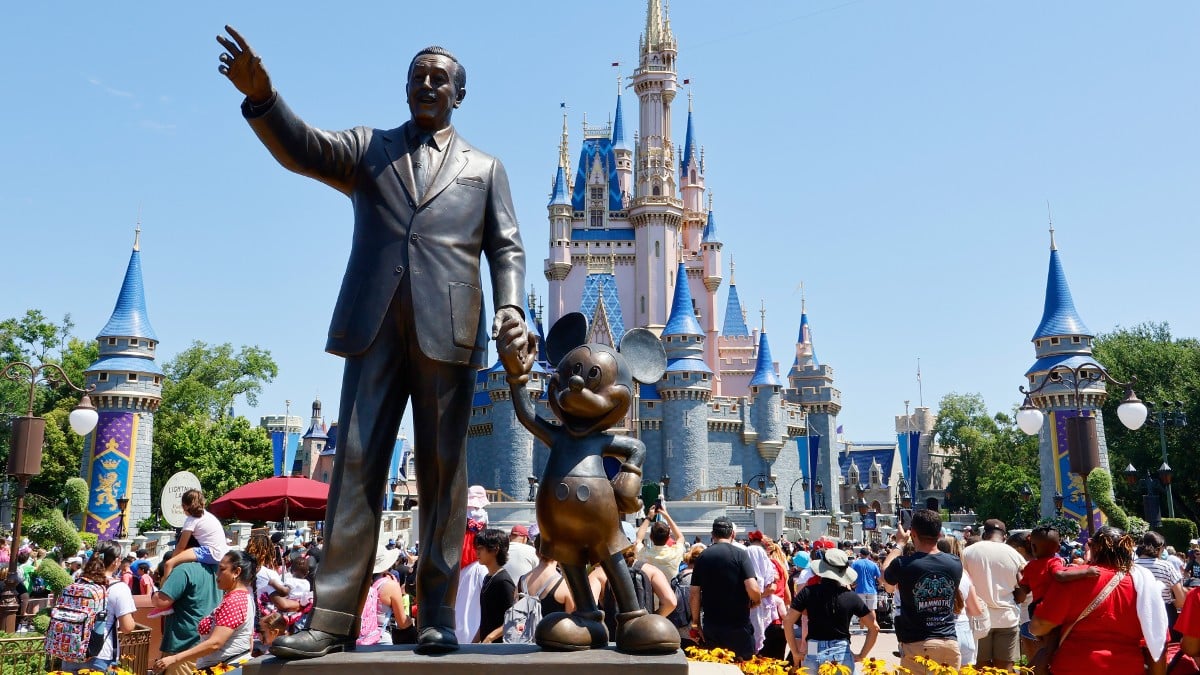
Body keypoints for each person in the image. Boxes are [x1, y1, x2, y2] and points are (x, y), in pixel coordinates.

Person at [217, 26, 529, 659]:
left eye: (441, 77)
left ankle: (438, 613)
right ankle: (332, 617)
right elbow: (303, 149)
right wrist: (265, 100)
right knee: (356, 466)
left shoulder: (484, 168)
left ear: (460, 94)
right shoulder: (370, 150)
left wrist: (513, 306)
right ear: (406, 86)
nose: (428, 84)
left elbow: (507, 246)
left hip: (452, 330)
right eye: (419, 74)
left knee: (444, 476)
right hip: (374, 325)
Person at [1030, 526, 1169, 675]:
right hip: (1126, 667)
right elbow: (1159, 641)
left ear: (1093, 547)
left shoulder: (1073, 578)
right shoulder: (1143, 584)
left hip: (1074, 667)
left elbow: (1039, 626)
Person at [882, 509, 962, 673]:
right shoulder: (954, 563)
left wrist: (900, 544)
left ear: (913, 533)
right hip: (949, 642)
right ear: (939, 534)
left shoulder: (904, 564)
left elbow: (886, 580)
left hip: (918, 643)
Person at [154, 550, 259, 672]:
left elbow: (215, 643)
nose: (217, 574)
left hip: (224, 668)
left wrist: (174, 659)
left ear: (236, 572)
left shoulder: (235, 601)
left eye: (222, 569)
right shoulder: (243, 597)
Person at [783, 547, 878, 674]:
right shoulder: (850, 596)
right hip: (840, 648)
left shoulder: (808, 592)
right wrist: (862, 655)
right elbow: (874, 627)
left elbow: (788, 621)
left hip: (813, 647)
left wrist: (795, 652)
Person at [56, 542, 136, 673]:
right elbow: (127, 627)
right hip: (100, 654)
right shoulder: (119, 588)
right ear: (116, 561)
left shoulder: (79, 582)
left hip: (72, 649)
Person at [689, 516, 762, 661]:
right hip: (738, 626)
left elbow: (694, 594)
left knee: (716, 667)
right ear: (732, 535)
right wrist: (756, 600)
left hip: (712, 625)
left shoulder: (703, 556)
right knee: (742, 667)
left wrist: (696, 623)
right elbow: (752, 588)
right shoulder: (740, 554)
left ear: (712, 535)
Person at [960, 518, 1025, 671]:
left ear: (984, 534)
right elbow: (1022, 594)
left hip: (977, 620)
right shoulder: (1014, 555)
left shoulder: (967, 552)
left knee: (979, 668)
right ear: (1004, 536)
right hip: (1007, 619)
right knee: (1004, 669)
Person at [153, 547, 222, 675]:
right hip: (208, 646)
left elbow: (160, 601)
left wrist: (168, 568)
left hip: (182, 648)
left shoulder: (184, 569)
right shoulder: (219, 569)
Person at [161, 489, 230, 582]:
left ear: (184, 506)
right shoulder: (208, 516)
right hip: (222, 553)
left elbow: (181, 546)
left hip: (210, 552)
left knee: (168, 564)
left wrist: (174, 559)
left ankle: (165, 590)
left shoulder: (191, 520)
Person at [938, 536, 985, 667]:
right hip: (962, 629)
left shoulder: (931, 572)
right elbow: (976, 610)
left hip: (937, 630)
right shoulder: (964, 574)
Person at [358, 545, 412, 645]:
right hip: (381, 640)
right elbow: (402, 622)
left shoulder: (358, 584)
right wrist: (411, 621)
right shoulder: (390, 585)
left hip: (359, 640)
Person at [1136, 530, 1188, 635]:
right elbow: (1181, 599)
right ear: (1160, 548)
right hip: (1164, 613)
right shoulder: (1166, 567)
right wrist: (1173, 602)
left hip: (1137, 613)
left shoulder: (1131, 566)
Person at [473, 528, 515, 643]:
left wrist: (490, 637)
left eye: (481, 549)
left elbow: (513, 619)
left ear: (495, 549)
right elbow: (486, 618)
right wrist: (475, 641)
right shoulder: (488, 578)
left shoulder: (503, 581)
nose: (477, 553)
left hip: (500, 649)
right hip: (487, 647)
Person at [522, 534, 575, 617]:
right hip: (554, 630)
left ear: (536, 552)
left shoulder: (521, 581)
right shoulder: (565, 586)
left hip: (524, 630)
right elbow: (572, 622)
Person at [637, 503, 687, 581]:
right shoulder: (675, 553)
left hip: (650, 592)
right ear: (668, 537)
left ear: (651, 537)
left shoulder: (644, 554)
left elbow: (638, 539)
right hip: (671, 592)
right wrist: (666, 515)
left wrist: (649, 517)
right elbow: (680, 537)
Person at [851, 547, 881, 614]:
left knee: (861, 611)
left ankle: (862, 625)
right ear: (868, 555)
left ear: (860, 554)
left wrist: (853, 584)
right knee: (872, 610)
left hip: (860, 590)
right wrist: (880, 585)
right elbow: (879, 577)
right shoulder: (873, 564)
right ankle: (872, 624)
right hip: (872, 590)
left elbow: (851, 576)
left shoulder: (855, 563)